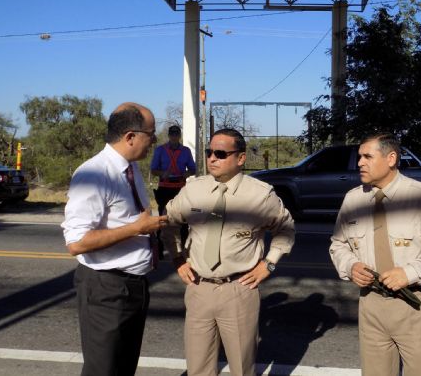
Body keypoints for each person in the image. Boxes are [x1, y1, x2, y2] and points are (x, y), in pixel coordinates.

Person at [162, 128, 295, 376]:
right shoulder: (194, 190)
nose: (212, 158)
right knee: (198, 367)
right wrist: (178, 258)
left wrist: (269, 264)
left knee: (242, 368)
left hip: (239, 290)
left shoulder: (260, 195)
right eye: (209, 152)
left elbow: (286, 230)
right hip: (199, 288)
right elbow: (168, 222)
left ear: (241, 158)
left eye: (221, 153)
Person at [329, 133, 421, 376]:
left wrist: (409, 273)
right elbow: (338, 244)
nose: (360, 163)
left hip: (413, 302)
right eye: (360, 157)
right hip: (370, 304)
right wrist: (351, 267)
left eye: (367, 156)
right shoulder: (353, 199)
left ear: (391, 159)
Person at [61, 102, 168, 376]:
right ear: (130, 136)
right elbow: (77, 243)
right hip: (107, 289)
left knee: (122, 368)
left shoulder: (130, 170)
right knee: (104, 370)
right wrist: (136, 228)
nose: (155, 142)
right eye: (151, 135)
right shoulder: (94, 174)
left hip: (133, 286)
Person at [150, 124, 196, 253]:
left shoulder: (185, 151)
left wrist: (187, 173)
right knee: (162, 218)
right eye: (172, 134)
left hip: (180, 188)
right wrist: (162, 173)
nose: (174, 136)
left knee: (184, 218)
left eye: (177, 134)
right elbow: (153, 170)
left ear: (180, 136)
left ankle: (185, 249)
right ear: (169, 135)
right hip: (164, 187)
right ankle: (159, 247)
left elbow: (193, 169)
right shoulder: (160, 150)